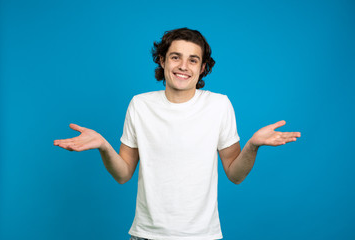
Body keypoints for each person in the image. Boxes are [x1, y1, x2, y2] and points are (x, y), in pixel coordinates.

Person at [54, 28, 301, 240]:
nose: (184, 66)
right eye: (176, 57)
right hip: (146, 234)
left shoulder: (219, 105)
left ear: (202, 68)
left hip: (202, 235)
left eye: (193, 60)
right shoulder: (140, 105)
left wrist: (253, 145)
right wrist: (103, 146)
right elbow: (123, 174)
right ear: (162, 60)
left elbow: (235, 175)